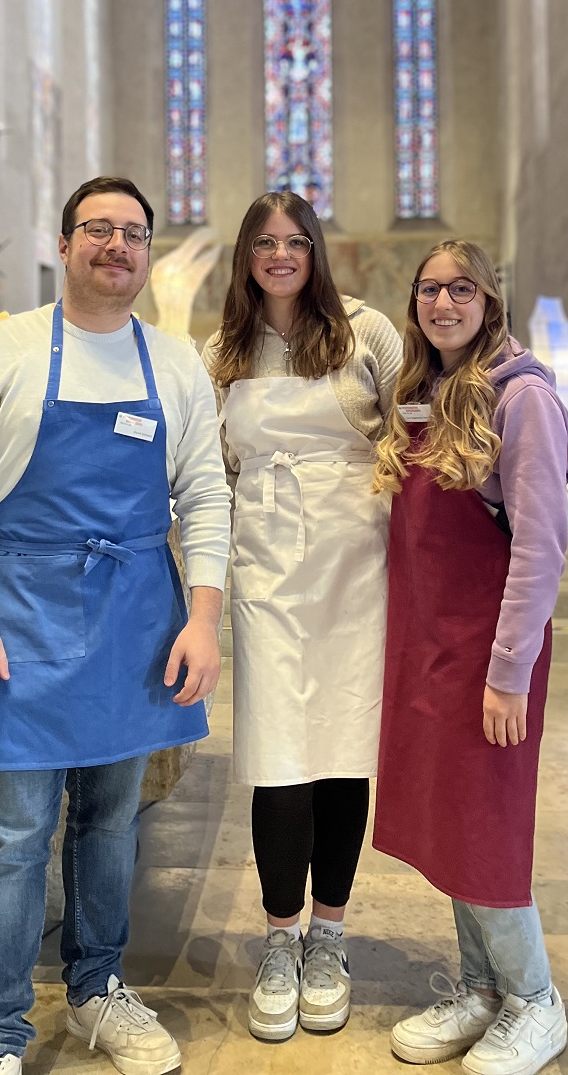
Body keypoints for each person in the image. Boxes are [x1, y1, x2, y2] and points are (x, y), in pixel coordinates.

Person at [0, 176, 231, 1075]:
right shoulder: (0, 353)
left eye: (134, 233)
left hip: (136, 622)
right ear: (64, 246)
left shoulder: (173, 364)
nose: (117, 246)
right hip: (17, 618)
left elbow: (205, 496)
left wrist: (202, 619)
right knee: (12, 838)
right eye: (98, 229)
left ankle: (97, 990)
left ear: (146, 254)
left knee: (112, 823)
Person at [372, 239, 568, 1075]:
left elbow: (539, 548)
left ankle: (534, 998)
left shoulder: (520, 398)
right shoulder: (421, 393)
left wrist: (507, 672)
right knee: (451, 820)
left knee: (488, 823)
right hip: (430, 646)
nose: (443, 303)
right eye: (429, 289)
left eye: (461, 289)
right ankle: (480, 987)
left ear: (489, 300)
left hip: (490, 652)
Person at [202, 190, 402, 1043]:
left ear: (315, 251)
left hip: (356, 558)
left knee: (342, 750)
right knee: (278, 752)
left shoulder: (368, 333)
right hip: (268, 563)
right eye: (264, 242)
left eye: (294, 241)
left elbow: (416, 428)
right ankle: (279, 938)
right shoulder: (220, 350)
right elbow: (207, 468)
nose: (280, 255)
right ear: (246, 256)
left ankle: (329, 934)